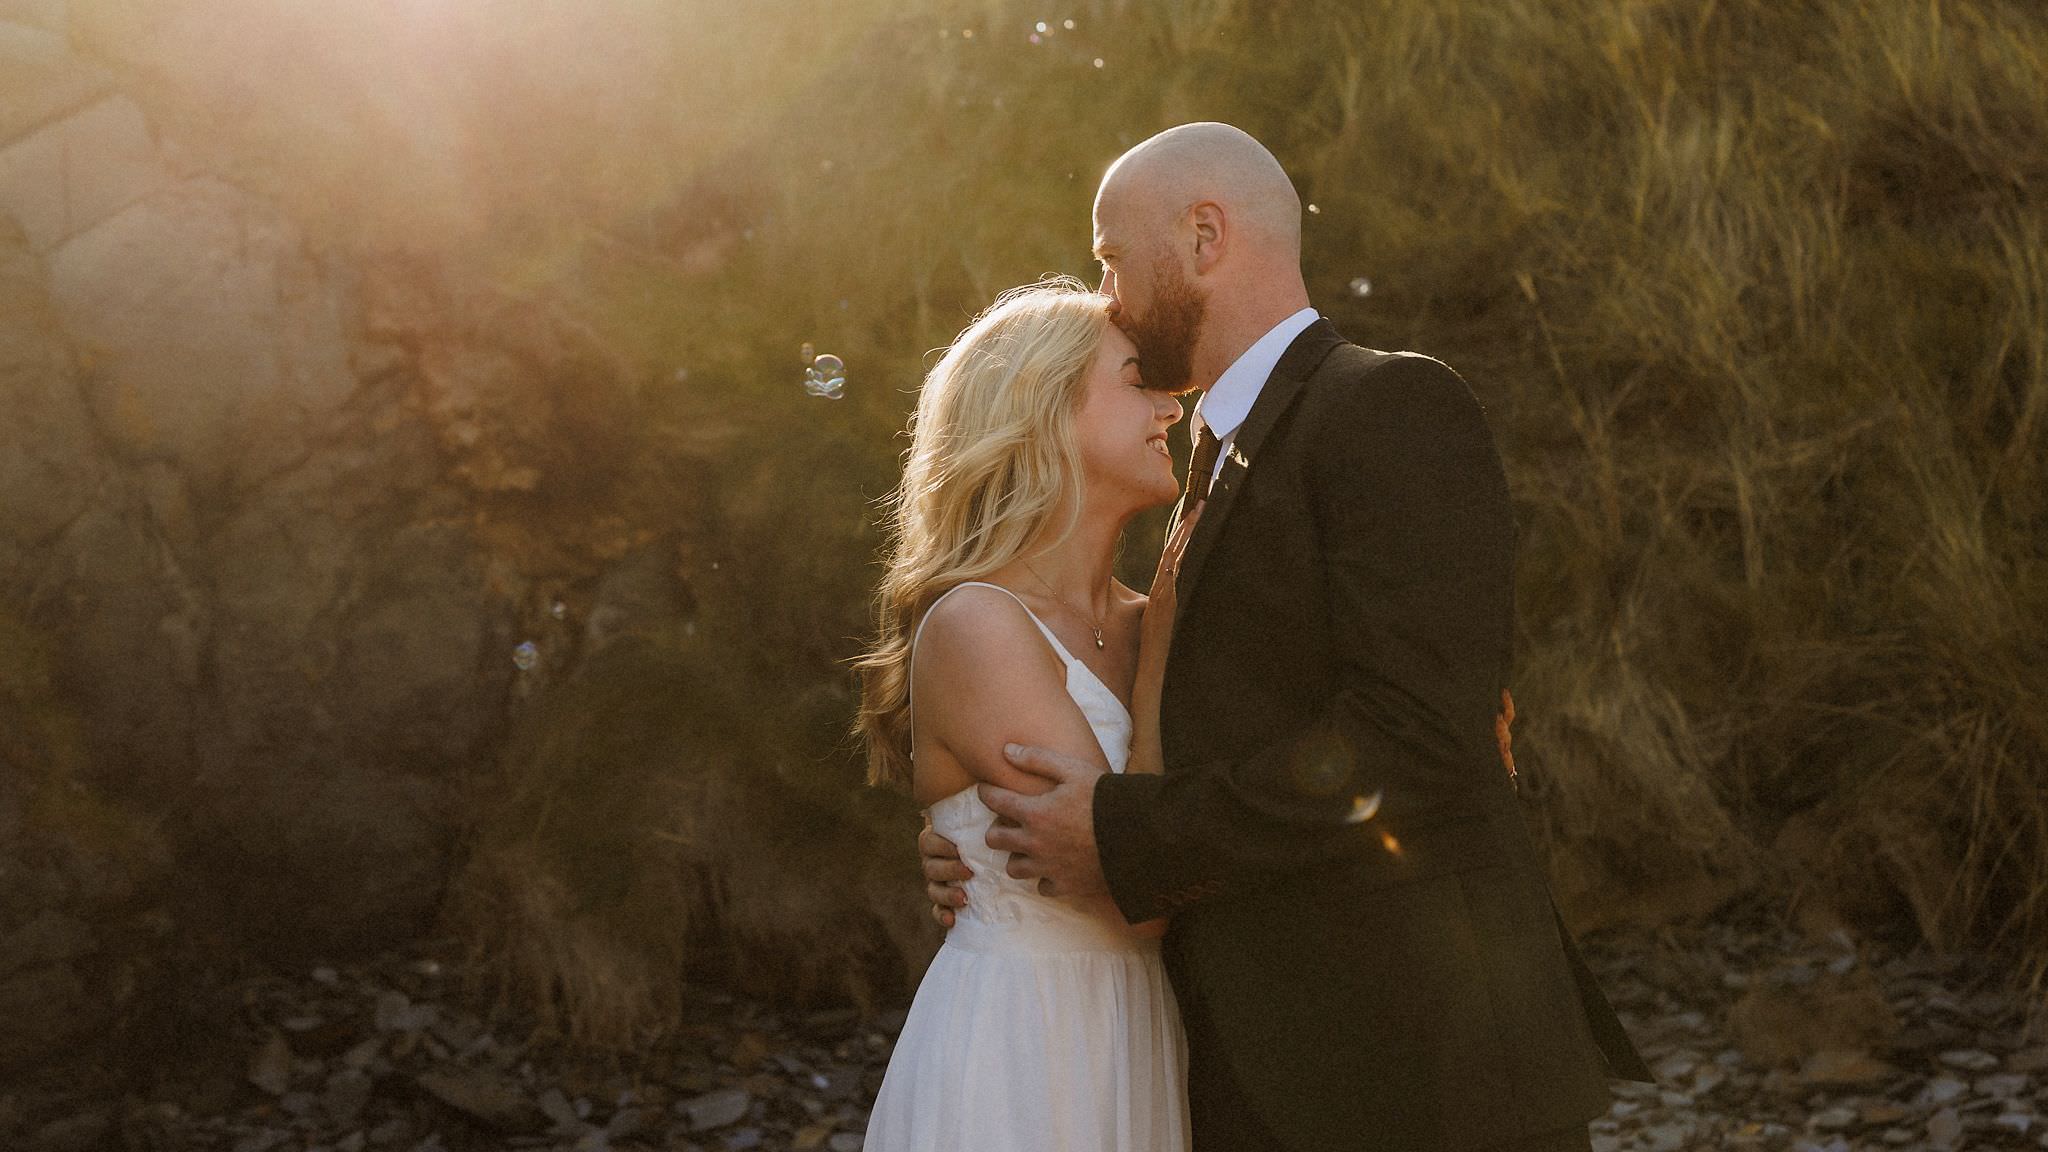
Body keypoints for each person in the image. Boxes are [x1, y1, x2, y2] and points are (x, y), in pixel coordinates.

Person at [918, 123, 1652, 1151]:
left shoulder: (1383, 405)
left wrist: (1128, 839)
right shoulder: (1206, 475)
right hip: (1250, 1066)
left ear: (1205, 236)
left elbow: (1418, 733)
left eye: (1111, 259)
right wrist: (972, 840)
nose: (1110, 295)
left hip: (1421, 1066)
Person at [854, 278, 1196, 1152]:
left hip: (1147, 1036)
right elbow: (1139, 896)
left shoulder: (1148, 615)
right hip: (1025, 1052)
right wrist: (1157, 663)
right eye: (1136, 379)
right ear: (1045, 408)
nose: (1171, 405)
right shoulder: (977, 625)